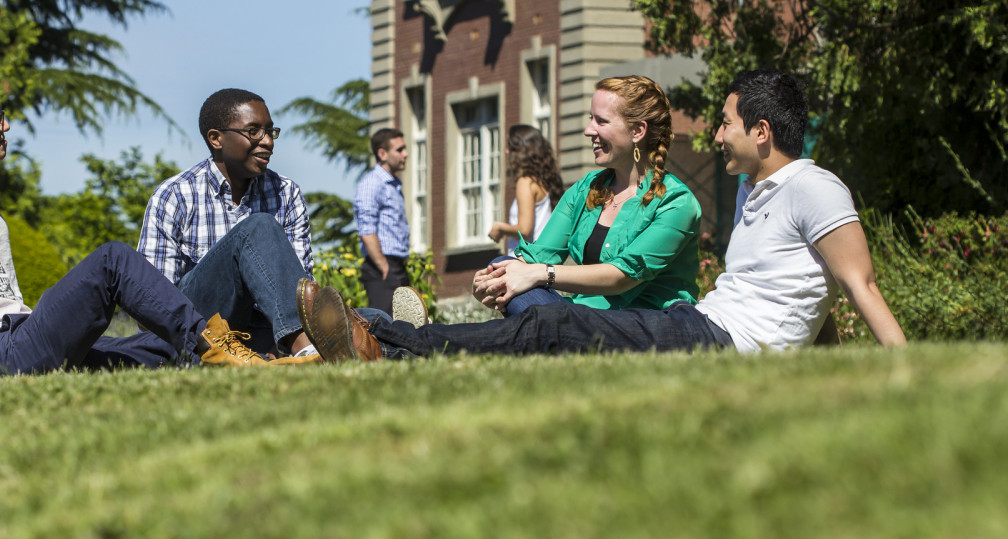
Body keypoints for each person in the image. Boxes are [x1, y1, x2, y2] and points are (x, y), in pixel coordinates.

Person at [302, 69, 906, 362]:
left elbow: (857, 285)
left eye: (725, 123)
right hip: (708, 322)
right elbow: (807, 299)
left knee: (549, 326)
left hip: (709, 334)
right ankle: (370, 334)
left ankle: (383, 341)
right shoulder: (755, 190)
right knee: (541, 318)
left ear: (762, 130)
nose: (717, 135)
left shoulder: (815, 187)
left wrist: (903, 371)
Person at [0, 71, 310, 381]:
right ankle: (213, 346)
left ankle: (290, 352)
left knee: (151, 352)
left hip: (19, 334)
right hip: (1, 352)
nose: (6, 125)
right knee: (111, 259)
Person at [474, 76, 702, 317]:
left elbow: (621, 277)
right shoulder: (585, 190)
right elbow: (536, 257)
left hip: (643, 323)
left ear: (637, 131)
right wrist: (492, 278)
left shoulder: (677, 202)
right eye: (590, 119)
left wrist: (540, 273)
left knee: (537, 314)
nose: (588, 130)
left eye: (601, 121)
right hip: (579, 317)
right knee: (505, 265)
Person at [138, 88, 328, 357]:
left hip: (267, 330)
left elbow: (300, 291)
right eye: (253, 131)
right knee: (258, 227)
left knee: (369, 317)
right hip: (200, 333)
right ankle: (307, 352)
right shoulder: (174, 196)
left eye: (270, 131)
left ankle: (402, 337)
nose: (268, 142)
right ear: (216, 139)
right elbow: (151, 309)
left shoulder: (286, 193)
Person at [354, 128, 412, 314]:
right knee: (383, 325)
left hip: (397, 266)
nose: (406, 153)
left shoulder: (392, 184)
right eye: (400, 149)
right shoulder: (372, 183)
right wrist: (383, 266)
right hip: (383, 268)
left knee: (405, 325)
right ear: (382, 154)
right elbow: (366, 229)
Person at [486, 124, 564, 255]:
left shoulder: (525, 182)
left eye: (510, 148)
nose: (506, 152)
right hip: (540, 261)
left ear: (522, 151)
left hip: (525, 262)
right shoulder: (543, 182)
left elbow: (525, 229)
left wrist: (500, 228)